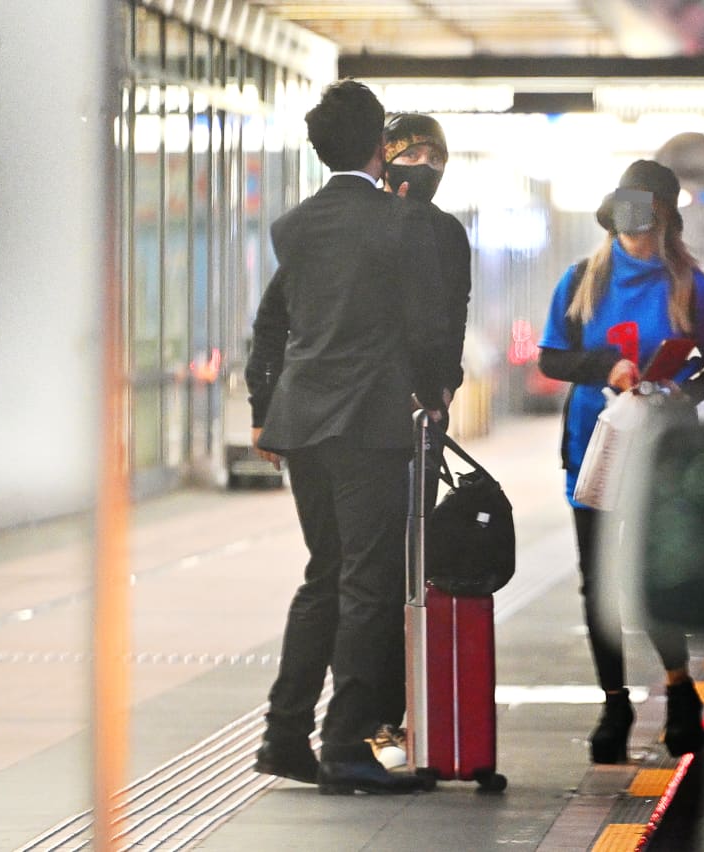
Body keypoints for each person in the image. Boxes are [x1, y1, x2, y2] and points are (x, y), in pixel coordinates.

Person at [244, 79, 452, 796]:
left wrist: (260, 403)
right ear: (378, 147)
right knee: (369, 582)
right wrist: (437, 389)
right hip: (369, 423)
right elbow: (426, 329)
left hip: (302, 422)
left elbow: (281, 321)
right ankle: (347, 747)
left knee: (325, 572)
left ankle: (283, 733)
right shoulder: (402, 225)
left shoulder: (295, 226)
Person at [537, 159, 704, 764]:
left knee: (656, 574)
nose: (635, 230)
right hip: (592, 447)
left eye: (647, 216)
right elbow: (552, 359)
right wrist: (607, 367)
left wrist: (682, 391)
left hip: (663, 446)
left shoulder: (688, 285)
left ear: (665, 219)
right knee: (598, 581)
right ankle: (614, 704)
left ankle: (679, 692)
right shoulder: (580, 281)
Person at [381, 112, 472, 510]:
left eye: (435, 159)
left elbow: (453, 315)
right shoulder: (365, 221)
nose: (424, 167)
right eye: (411, 154)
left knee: (418, 523)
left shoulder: (448, 232)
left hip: (428, 406)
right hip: (370, 397)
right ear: (385, 158)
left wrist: (444, 387)